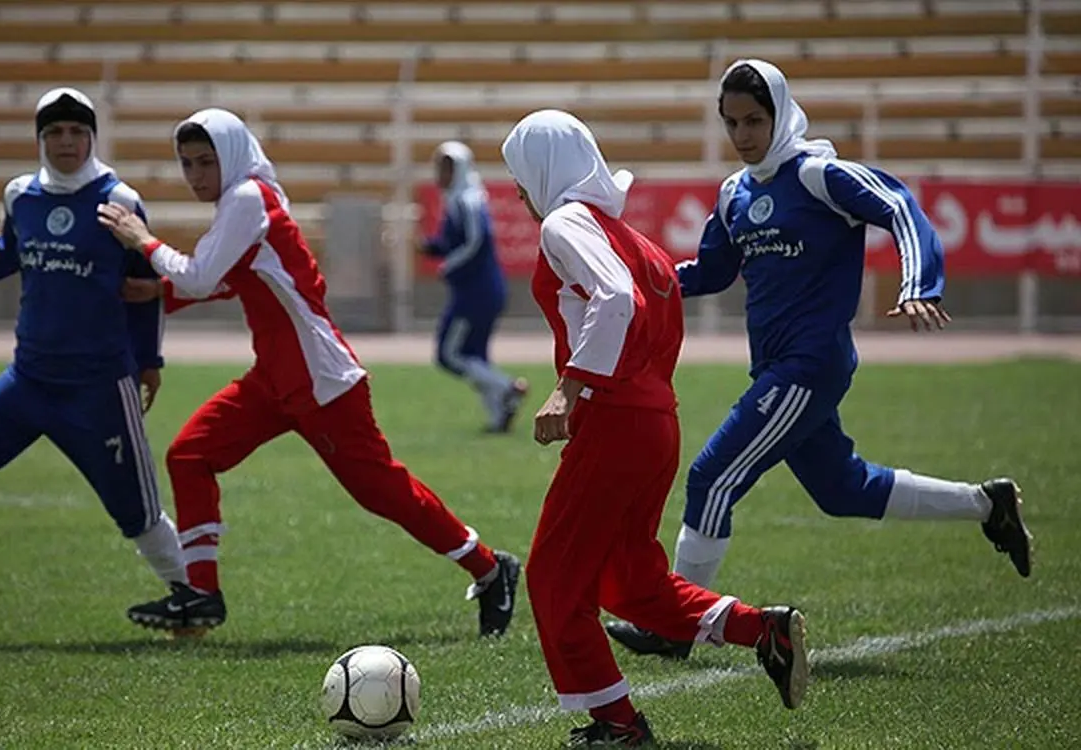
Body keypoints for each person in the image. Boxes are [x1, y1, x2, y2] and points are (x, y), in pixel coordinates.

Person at [605, 59, 1033, 660]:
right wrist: (636, 281)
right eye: (731, 123)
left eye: (755, 120)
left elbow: (901, 207)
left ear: (780, 113)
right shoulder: (734, 194)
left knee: (711, 476)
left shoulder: (816, 175)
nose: (743, 135)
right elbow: (709, 273)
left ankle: (676, 624)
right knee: (842, 489)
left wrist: (920, 281)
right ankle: (989, 504)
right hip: (778, 370)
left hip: (810, 366)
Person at [99, 109, 521, 637]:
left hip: (320, 380)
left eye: (206, 161)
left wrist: (144, 241)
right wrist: (159, 290)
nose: (196, 174)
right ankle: (201, 595)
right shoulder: (246, 198)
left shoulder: (246, 198)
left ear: (230, 157)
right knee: (190, 455)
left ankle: (490, 568)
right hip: (276, 377)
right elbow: (241, 279)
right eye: (187, 164)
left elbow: (205, 277)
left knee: (381, 491)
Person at [501, 109, 809, 748]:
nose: (518, 193)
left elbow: (617, 301)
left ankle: (617, 725)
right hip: (654, 424)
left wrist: (569, 388)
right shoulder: (630, 236)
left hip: (614, 424)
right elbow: (653, 314)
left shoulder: (565, 223)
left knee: (554, 578)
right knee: (625, 581)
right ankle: (764, 630)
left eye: (519, 177)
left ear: (542, 170)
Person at [0, 88, 187, 618]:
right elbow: (5, 251)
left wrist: (150, 362)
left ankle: (189, 599)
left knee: (136, 512)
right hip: (28, 381)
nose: (66, 141)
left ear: (92, 137)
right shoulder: (21, 195)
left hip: (99, 387)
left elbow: (144, 287)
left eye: (77, 131)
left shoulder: (119, 200)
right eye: (54, 132)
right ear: (40, 139)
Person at [422, 141, 527, 433]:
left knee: (449, 355)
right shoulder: (459, 199)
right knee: (475, 357)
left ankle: (507, 387)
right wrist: (430, 248)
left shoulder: (467, 200)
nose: (441, 173)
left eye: (447, 167)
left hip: (476, 291)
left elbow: (475, 242)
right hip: (478, 289)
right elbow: (451, 243)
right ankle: (498, 417)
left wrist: (449, 264)